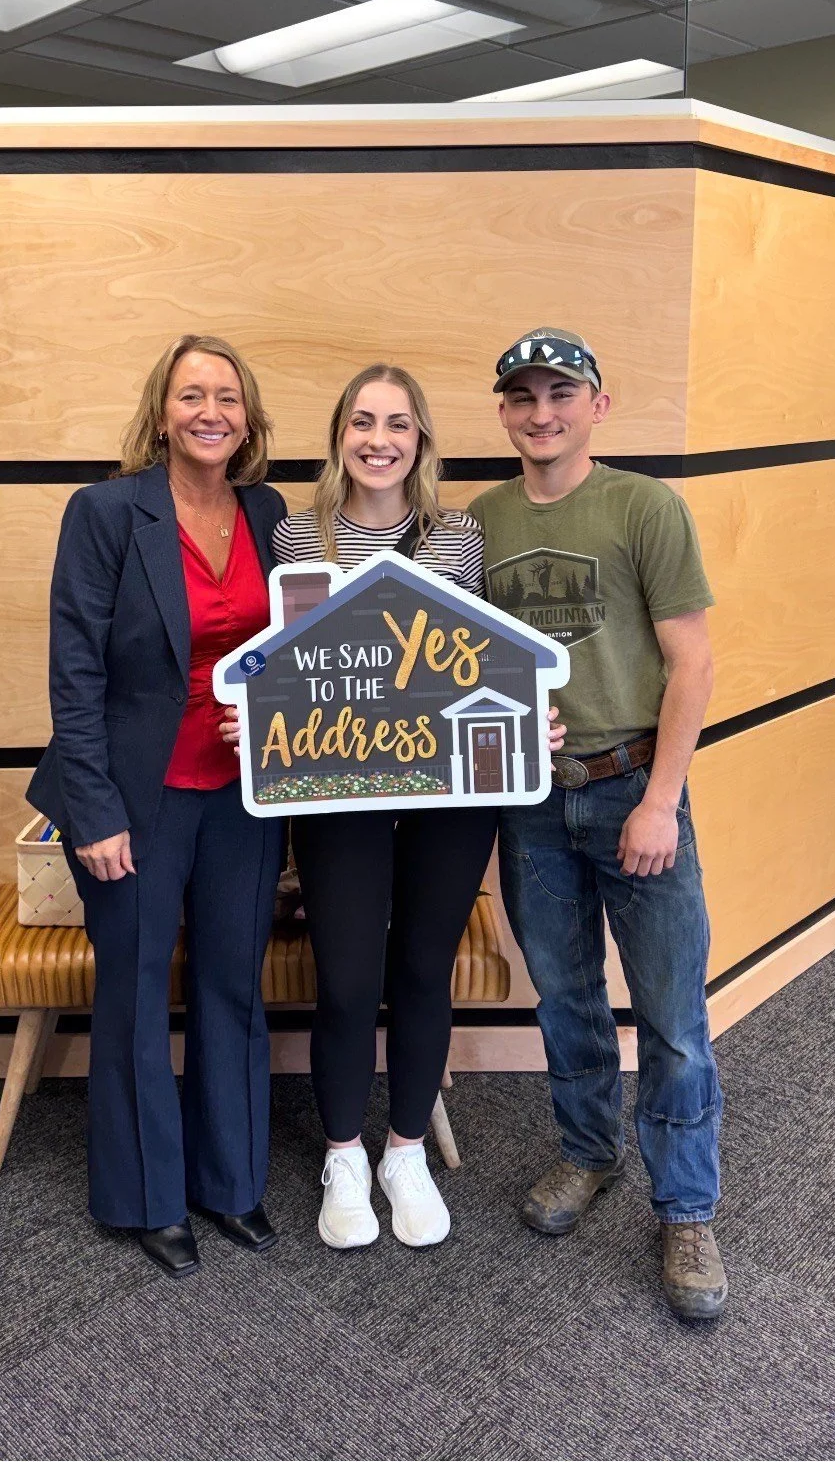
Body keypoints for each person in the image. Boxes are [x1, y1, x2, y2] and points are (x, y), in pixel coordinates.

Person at [470, 327, 727, 1321]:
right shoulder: (480, 523)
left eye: (561, 393)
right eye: (523, 396)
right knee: (566, 997)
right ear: (504, 412)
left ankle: (687, 1206)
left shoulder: (644, 506)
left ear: (598, 406)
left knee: (671, 1014)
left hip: (633, 786)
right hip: (533, 800)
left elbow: (693, 662)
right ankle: (588, 1149)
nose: (542, 413)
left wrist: (661, 798)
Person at [249, 365, 528, 1251]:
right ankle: (342, 1154)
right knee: (346, 978)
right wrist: (250, 709)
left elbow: (485, 657)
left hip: (448, 794)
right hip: (339, 793)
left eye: (398, 423)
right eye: (363, 421)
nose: (380, 439)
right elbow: (283, 662)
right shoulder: (298, 536)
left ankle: (404, 1150)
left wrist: (533, 712)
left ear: (420, 439)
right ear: (341, 435)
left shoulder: (460, 536)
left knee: (421, 970)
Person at [27, 334, 287, 1280]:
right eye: (192, 395)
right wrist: (92, 813)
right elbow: (75, 671)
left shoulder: (269, 512)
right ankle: (146, 1197)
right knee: (136, 992)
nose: (211, 411)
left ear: (247, 419)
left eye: (227, 396)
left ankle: (231, 1181)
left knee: (232, 983)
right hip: (133, 796)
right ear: (162, 413)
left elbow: (293, 648)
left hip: (243, 793)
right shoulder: (105, 512)